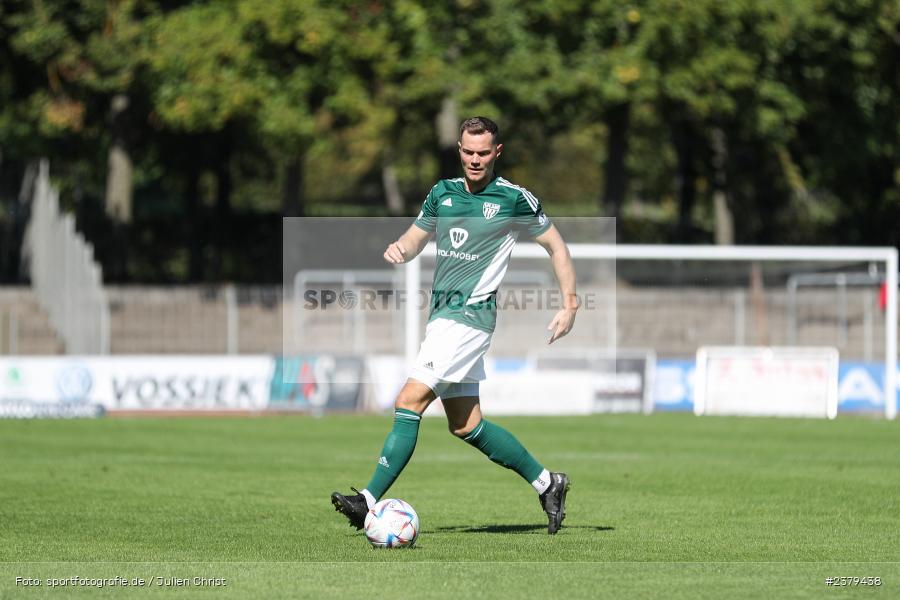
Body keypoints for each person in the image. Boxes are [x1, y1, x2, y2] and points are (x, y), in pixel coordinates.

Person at [331, 116, 578, 534]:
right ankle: (547, 482)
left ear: (497, 152)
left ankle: (367, 501)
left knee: (409, 401)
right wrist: (399, 249)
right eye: (468, 151)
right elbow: (415, 239)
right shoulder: (441, 194)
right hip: (443, 317)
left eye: (484, 152)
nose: (475, 160)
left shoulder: (513, 199)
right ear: (458, 149)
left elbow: (556, 245)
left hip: (470, 319)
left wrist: (569, 304)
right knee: (465, 424)